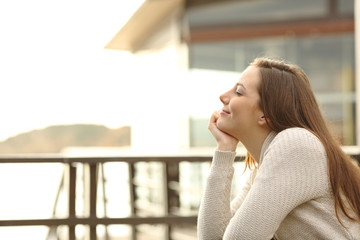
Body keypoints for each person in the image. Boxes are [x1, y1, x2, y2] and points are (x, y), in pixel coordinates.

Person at [197, 57, 360, 239]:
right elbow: (212, 237)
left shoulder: (296, 144)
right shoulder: (265, 166)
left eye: (238, 92)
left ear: (265, 114)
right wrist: (224, 150)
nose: (223, 96)